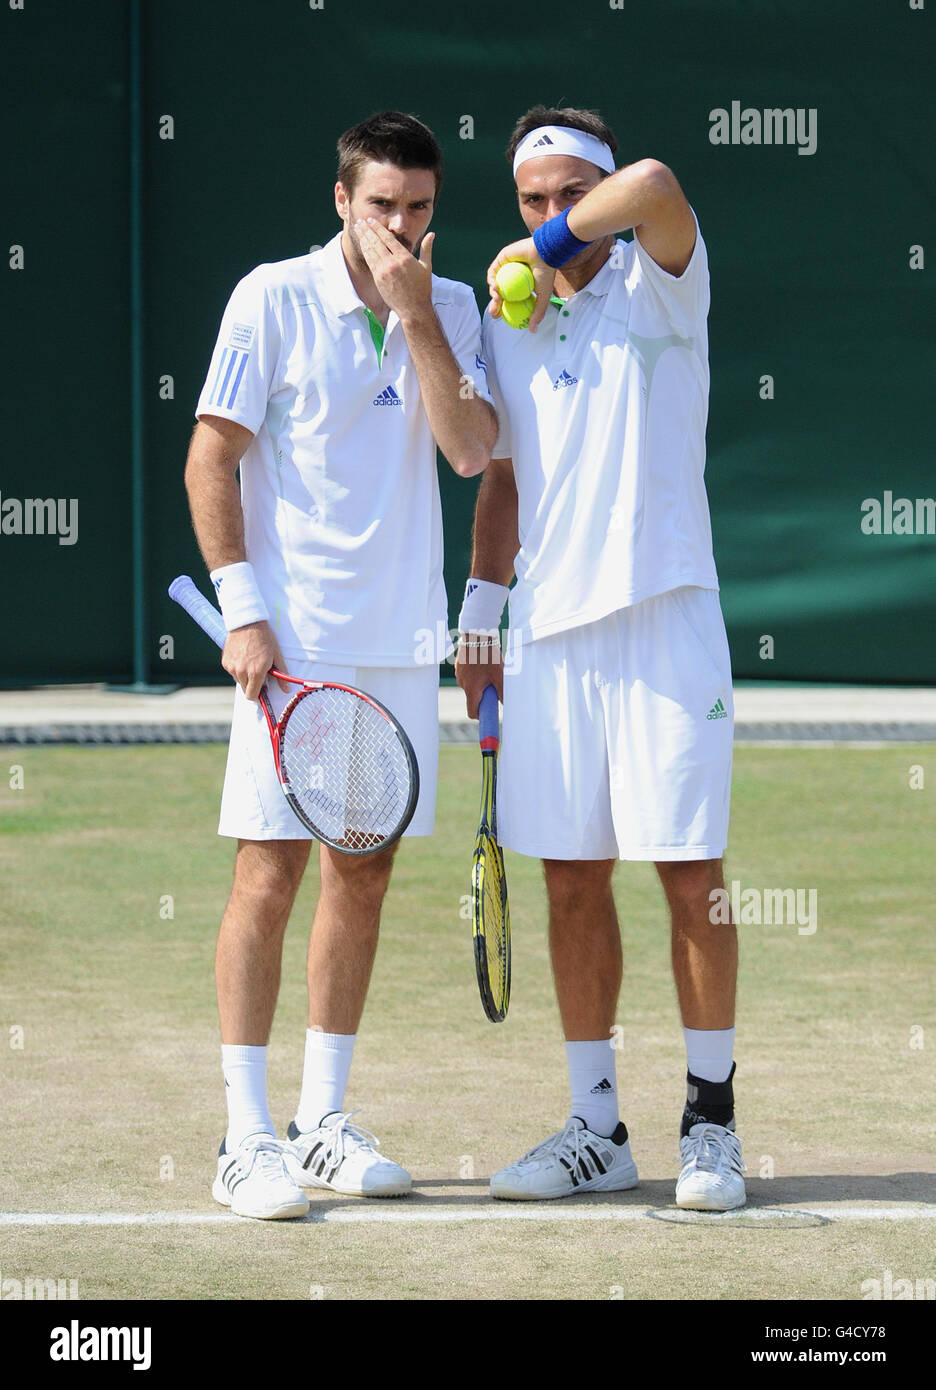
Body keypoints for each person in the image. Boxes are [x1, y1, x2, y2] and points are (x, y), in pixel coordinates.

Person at [185, 110, 497, 1220]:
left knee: (360, 874)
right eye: (382, 207)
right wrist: (244, 612)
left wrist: (417, 315)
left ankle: (321, 1121)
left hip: (399, 644)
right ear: (341, 203)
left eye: (420, 208)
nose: (402, 228)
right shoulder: (269, 297)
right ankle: (244, 1133)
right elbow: (210, 456)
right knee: (268, 872)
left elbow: (471, 452)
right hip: (294, 646)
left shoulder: (451, 308)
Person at [456, 106, 744, 1210]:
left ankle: (710, 1122)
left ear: (598, 196)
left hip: (669, 615)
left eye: (569, 193)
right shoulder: (507, 325)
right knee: (571, 880)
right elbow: (503, 479)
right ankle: (596, 1126)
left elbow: (662, 182)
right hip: (549, 635)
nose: (547, 215)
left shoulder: (663, 278)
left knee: (690, 875)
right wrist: (480, 613)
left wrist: (553, 244)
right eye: (529, 200)